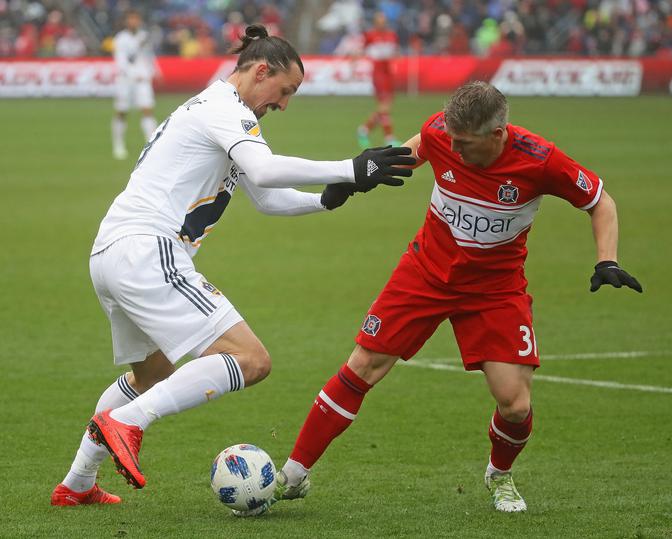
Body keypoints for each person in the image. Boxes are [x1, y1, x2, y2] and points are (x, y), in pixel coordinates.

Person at [50, 24, 415, 506]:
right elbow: (265, 169)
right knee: (252, 359)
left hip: (112, 253)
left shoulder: (219, 113)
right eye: (285, 91)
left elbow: (265, 196)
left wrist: (325, 201)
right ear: (261, 70)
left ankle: (76, 483)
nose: (283, 104)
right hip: (147, 250)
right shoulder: (223, 108)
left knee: (150, 375)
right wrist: (352, 167)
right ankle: (128, 422)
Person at [260, 81, 643, 515]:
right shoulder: (443, 133)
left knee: (515, 404)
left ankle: (499, 474)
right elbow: (415, 149)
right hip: (425, 273)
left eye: (465, 143)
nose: (454, 149)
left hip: (494, 290)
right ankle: (293, 474)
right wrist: (355, 179)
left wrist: (606, 261)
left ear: (497, 134)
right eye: (451, 139)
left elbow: (600, 201)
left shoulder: (541, 161)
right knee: (363, 364)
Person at [111, 10, 158, 160]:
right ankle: (118, 145)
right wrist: (133, 74)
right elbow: (121, 61)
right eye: (131, 19)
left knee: (147, 110)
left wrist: (154, 71)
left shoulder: (144, 36)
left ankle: (151, 145)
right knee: (122, 112)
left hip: (143, 80)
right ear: (126, 21)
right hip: (125, 81)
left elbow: (149, 56)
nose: (134, 22)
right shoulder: (120, 38)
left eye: (136, 19)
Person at [357, 11, 400, 149]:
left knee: (384, 108)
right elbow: (361, 50)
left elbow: (395, 52)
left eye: (383, 20)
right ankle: (389, 138)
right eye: (379, 20)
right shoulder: (370, 35)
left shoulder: (391, 35)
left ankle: (364, 130)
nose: (381, 23)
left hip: (388, 73)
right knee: (384, 107)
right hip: (378, 74)